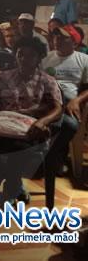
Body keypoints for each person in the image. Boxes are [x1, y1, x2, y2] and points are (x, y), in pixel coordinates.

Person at [0, 37, 62, 204]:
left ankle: (11, 187)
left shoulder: (47, 81)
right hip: (3, 124)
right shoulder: (5, 77)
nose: (24, 59)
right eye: (20, 55)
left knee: (18, 148)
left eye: (30, 56)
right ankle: (9, 180)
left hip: (28, 128)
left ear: (39, 58)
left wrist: (42, 122)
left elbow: (57, 108)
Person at [41, 26, 85, 174]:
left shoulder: (83, 59)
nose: (57, 39)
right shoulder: (46, 58)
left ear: (74, 42)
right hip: (46, 100)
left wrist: (77, 100)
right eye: (55, 36)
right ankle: (51, 159)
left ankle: (50, 158)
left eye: (62, 37)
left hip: (67, 102)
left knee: (70, 125)